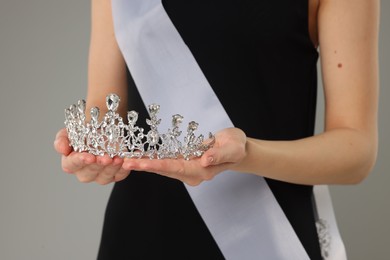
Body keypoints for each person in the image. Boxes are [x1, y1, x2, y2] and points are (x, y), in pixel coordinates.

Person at [54, 0, 380, 259]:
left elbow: (357, 151)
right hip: (140, 236)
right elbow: (104, 106)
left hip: (268, 238)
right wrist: (91, 151)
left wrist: (248, 154)